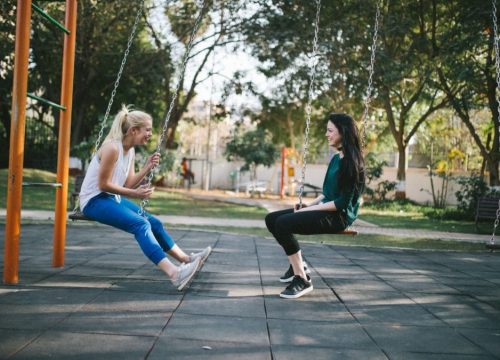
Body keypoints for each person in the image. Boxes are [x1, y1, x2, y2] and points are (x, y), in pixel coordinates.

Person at [79, 105, 211, 291]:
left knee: (154, 223)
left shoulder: (130, 151)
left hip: (110, 199)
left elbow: (129, 183)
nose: (150, 133)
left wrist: (147, 167)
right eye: (147, 129)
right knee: (140, 224)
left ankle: (186, 259)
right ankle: (174, 274)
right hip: (94, 200)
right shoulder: (111, 148)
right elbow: (103, 185)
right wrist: (135, 194)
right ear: (134, 130)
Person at [265, 113, 365, 299]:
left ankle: (302, 279)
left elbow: (341, 203)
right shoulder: (336, 158)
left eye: (330, 130)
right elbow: (327, 193)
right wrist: (308, 205)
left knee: (283, 224)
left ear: (343, 132)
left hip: (340, 216)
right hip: (328, 207)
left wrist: (310, 209)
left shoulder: (352, 162)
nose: (326, 134)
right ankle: (298, 264)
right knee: (272, 219)